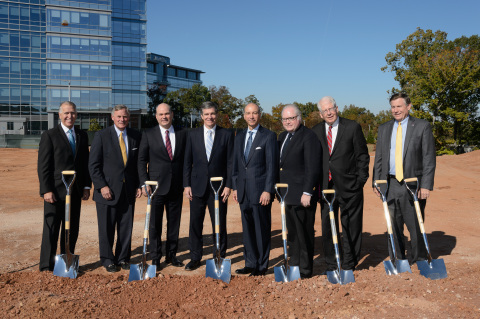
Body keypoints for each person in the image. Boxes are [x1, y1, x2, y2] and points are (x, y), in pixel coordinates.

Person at [372, 92, 436, 263]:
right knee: (393, 224)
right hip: (390, 183)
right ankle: (397, 259)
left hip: (413, 184)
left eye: (399, 106)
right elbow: (378, 158)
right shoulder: (384, 128)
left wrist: (426, 185)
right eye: (393, 107)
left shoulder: (422, 126)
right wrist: (376, 182)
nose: (396, 110)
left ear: (408, 106)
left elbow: (429, 157)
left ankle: (420, 259)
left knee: (415, 224)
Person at [312, 96, 369, 273]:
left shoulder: (352, 127)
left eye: (331, 108)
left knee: (351, 225)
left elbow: (362, 156)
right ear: (320, 114)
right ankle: (332, 261)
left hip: (350, 185)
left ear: (337, 108)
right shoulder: (315, 131)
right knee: (328, 226)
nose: (329, 113)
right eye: (325, 110)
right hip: (325, 186)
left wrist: (360, 180)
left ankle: (349, 262)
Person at [37, 101, 91, 272]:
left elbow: (85, 163)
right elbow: (43, 165)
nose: (70, 116)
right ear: (59, 115)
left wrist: (86, 186)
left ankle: (66, 265)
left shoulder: (82, 135)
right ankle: (47, 265)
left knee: (71, 229)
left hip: (74, 191)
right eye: (66, 113)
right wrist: (46, 189)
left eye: (73, 113)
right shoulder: (50, 135)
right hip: (55, 192)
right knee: (52, 228)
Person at [89, 104, 142, 273]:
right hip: (107, 192)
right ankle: (107, 259)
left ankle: (123, 258)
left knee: (126, 228)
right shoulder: (101, 135)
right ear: (112, 117)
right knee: (106, 228)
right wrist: (102, 186)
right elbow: (93, 165)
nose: (122, 119)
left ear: (129, 118)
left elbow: (138, 164)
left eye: (125, 116)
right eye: (118, 116)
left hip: (128, 191)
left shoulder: (136, 136)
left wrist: (139, 184)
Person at [183, 101, 234, 271]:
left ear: (216, 115)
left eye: (212, 113)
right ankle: (195, 257)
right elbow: (187, 162)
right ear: (201, 116)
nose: (210, 117)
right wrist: (186, 185)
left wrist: (228, 185)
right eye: (206, 114)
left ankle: (219, 256)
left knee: (219, 224)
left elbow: (230, 163)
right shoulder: (192, 134)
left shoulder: (226, 134)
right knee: (195, 224)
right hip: (197, 187)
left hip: (218, 189)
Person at [138, 103, 187, 268]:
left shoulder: (182, 133)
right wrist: (145, 183)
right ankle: (156, 257)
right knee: (155, 224)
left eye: (167, 113)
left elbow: (186, 161)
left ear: (172, 114)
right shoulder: (148, 134)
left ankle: (171, 255)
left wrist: (186, 184)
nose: (164, 117)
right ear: (156, 116)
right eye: (160, 114)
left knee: (174, 223)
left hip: (176, 186)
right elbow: (141, 160)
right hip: (156, 187)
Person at [232, 103, 278, 276]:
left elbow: (272, 167)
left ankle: (261, 265)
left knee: (261, 230)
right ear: (244, 116)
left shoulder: (268, 136)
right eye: (248, 113)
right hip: (243, 192)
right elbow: (236, 165)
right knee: (248, 230)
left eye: (255, 113)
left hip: (261, 193)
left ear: (260, 115)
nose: (251, 116)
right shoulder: (239, 136)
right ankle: (250, 262)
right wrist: (236, 187)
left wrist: (268, 190)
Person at [277, 104, 321, 279]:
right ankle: (294, 265)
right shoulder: (282, 136)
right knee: (293, 233)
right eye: (285, 119)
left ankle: (305, 269)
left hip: (302, 195)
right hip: (286, 194)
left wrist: (308, 192)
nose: (288, 122)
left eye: (291, 118)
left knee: (304, 233)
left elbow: (313, 167)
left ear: (299, 118)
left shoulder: (308, 136)